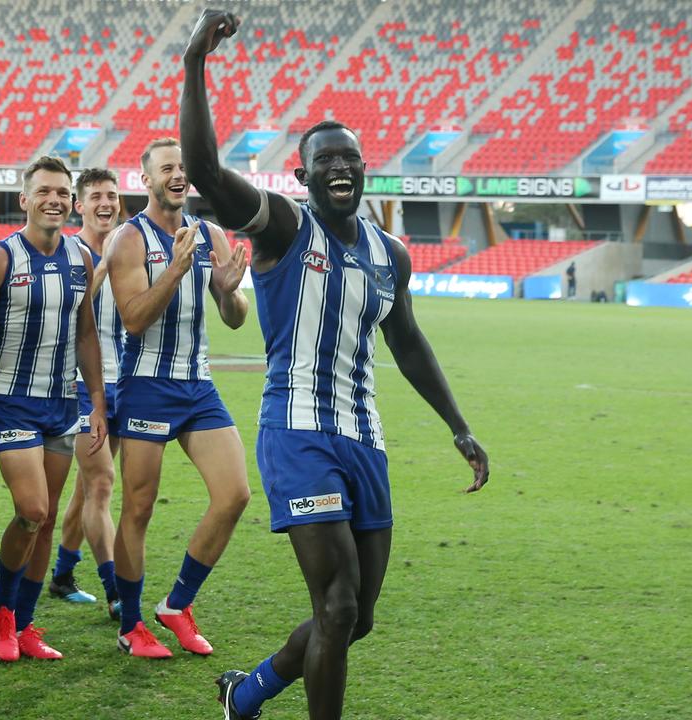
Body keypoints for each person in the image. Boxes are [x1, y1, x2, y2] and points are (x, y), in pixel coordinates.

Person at [178, 11, 490, 719]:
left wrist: (458, 426)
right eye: (325, 161)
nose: (340, 168)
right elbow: (202, 169)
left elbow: (406, 342)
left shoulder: (390, 253)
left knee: (355, 619)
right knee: (338, 604)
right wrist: (197, 59)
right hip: (297, 434)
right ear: (303, 175)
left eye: (349, 157)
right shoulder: (286, 227)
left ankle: (246, 691)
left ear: (363, 166)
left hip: (364, 441)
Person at [0, 155, 109, 662]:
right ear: (25, 200)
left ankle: (25, 624)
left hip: (62, 405)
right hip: (11, 404)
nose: (54, 200)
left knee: (42, 525)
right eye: (44, 191)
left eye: (62, 192)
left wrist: (97, 400)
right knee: (33, 511)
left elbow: (86, 332)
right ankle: (2, 613)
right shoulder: (1, 259)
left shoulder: (80, 258)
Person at [104, 136, 251, 659]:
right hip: (145, 386)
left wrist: (231, 290)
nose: (177, 175)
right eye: (166, 168)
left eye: (183, 167)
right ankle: (130, 623)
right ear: (146, 179)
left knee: (234, 494)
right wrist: (176, 269)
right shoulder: (129, 239)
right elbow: (134, 318)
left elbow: (235, 319)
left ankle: (177, 604)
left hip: (198, 386)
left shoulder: (209, 233)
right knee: (138, 508)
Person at [49, 168, 124, 614]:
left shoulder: (128, 250)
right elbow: (71, 319)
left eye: (112, 196)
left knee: (86, 486)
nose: (105, 203)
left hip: (127, 384)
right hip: (78, 386)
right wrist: (103, 267)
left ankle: (61, 573)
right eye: (95, 196)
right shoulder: (69, 254)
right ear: (80, 205)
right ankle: (118, 592)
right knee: (101, 484)